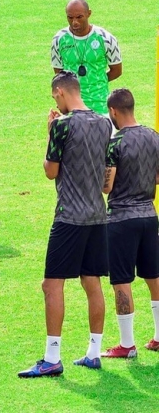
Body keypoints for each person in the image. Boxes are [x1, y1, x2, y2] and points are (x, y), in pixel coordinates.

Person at [18, 71, 111, 378]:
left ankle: (52, 358)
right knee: (92, 282)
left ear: (60, 92)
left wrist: (49, 132)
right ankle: (94, 353)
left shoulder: (61, 125)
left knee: (51, 285)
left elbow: (50, 171)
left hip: (69, 216)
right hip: (97, 215)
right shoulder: (104, 123)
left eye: (54, 96)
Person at [100, 89, 159, 358]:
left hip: (121, 219)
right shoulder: (154, 137)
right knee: (154, 276)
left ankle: (127, 344)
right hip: (149, 216)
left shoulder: (115, 143)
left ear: (113, 111)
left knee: (121, 280)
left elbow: (107, 185)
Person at [51, 0, 122, 115]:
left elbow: (117, 70)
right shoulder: (59, 40)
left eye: (79, 17)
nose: (75, 22)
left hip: (100, 105)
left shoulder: (106, 38)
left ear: (89, 13)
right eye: (70, 18)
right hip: (72, 108)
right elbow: (59, 74)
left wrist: (97, 81)